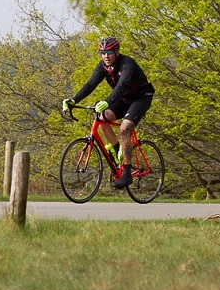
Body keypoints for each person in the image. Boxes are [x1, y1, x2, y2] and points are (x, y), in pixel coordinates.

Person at [62, 37, 155, 189]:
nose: (106, 56)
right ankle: (119, 152)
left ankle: (126, 173)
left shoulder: (127, 64)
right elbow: (90, 84)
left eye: (109, 52)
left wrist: (107, 101)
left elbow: (122, 85)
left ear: (117, 52)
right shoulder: (103, 66)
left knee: (124, 129)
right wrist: (73, 100)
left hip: (141, 98)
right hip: (124, 99)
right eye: (103, 53)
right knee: (102, 119)